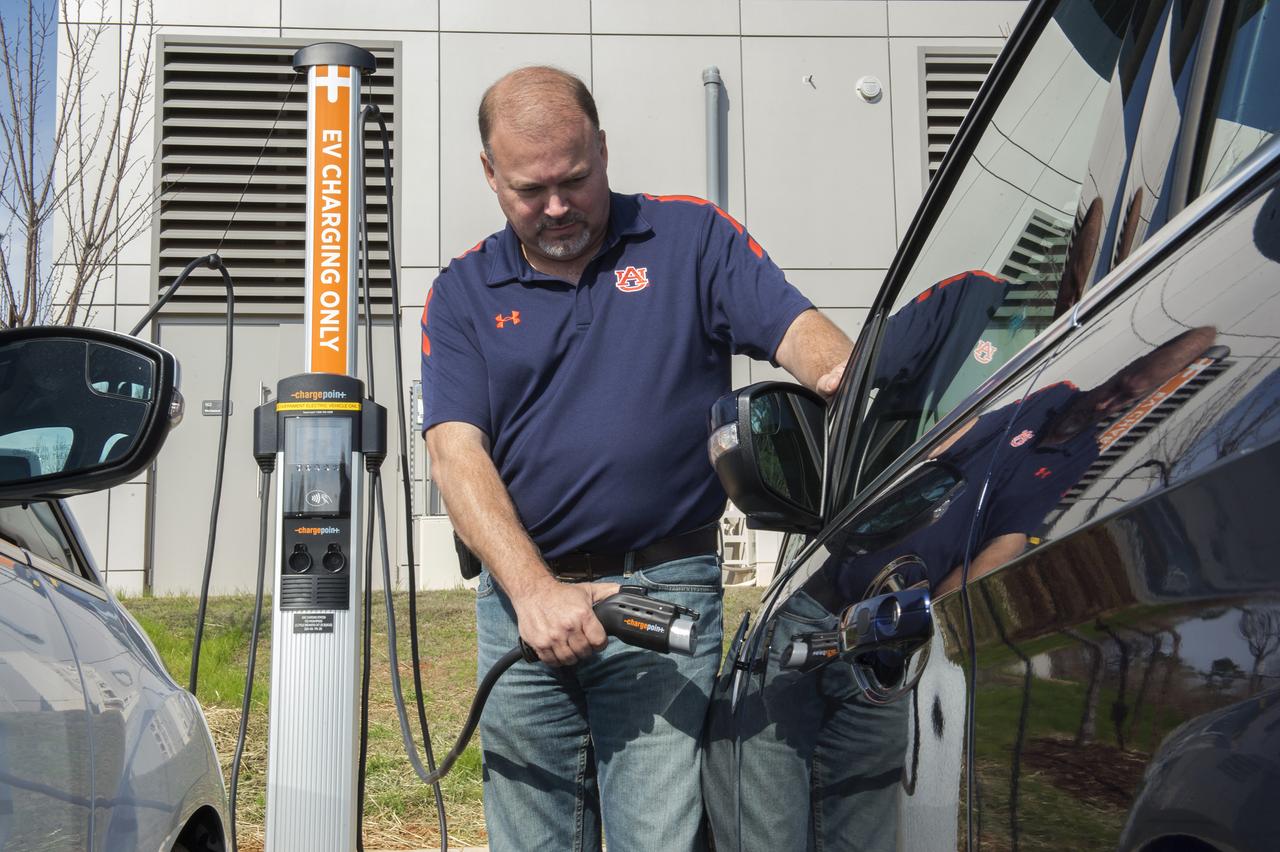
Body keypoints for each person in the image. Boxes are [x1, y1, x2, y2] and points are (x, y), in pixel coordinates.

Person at [421, 66, 853, 851]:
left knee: (659, 837)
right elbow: (455, 452)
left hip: (666, 592)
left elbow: (800, 333)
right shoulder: (463, 292)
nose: (556, 207)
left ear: (604, 149)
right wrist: (534, 591)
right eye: (529, 189)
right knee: (532, 838)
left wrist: (852, 385)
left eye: (575, 180)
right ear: (489, 175)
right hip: (521, 603)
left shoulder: (689, 238)